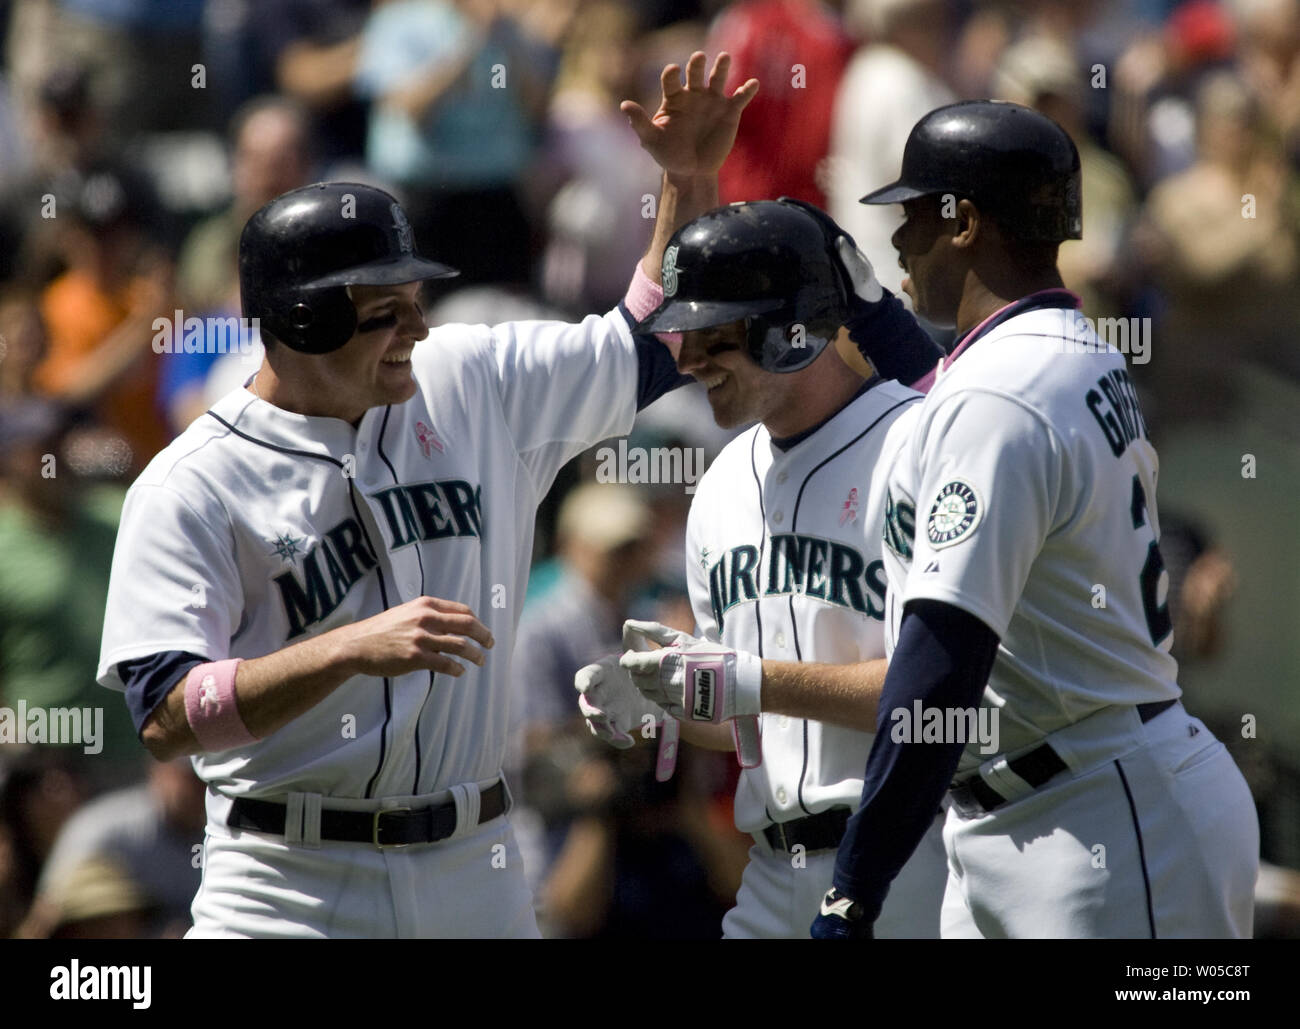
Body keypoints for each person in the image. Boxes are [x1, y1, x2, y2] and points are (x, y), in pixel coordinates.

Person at [95, 51, 758, 939]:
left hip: (471, 867)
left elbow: (648, 345)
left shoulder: (470, 376)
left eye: (417, 300)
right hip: (286, 883)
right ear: (300, 324)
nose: (418, 329)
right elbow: (168, 713)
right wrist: (343, 651)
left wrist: (686, 178)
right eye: (387, 313)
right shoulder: (192, 484)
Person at [809, 100, 1258, 938]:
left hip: (1105, 824)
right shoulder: (1064, 346)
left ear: (967, 222)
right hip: (1059, 805)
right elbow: (960, 396)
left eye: (914, 217)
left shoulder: (1002, 391)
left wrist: (852, 887)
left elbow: (941, 670)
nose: (899, 241)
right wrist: (875, 314)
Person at [574, 197, 947, 938]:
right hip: (770, 871)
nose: (686, 359)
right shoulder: (719, 483)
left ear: (793, 324)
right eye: (682, 335)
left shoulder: (920, 446)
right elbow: (751, 723)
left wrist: (750, 679)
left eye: (712, 334)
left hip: (913, 859)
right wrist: (668, 707)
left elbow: (936, 696)